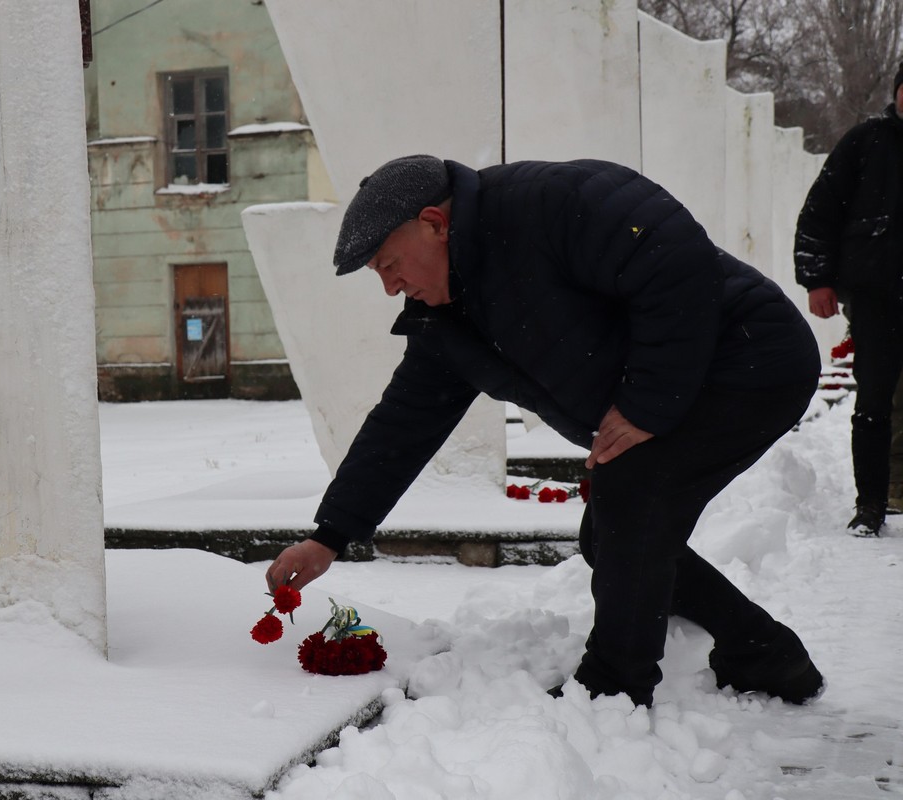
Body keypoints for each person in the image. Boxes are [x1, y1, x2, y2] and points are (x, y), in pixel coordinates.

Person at [265, 154, 825, 708]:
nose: (390, 287)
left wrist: (646, 403)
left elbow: (672, 256)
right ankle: (764, 652)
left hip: (752, 360)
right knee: (607, 535)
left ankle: (613, 691)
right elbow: (403, 424)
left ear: (434, 224)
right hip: (691, 384)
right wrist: (330, 535)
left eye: (390, 265)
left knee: (632, 495)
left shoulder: (548, 201)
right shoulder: (447, 318)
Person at [794, 61, 903, 538]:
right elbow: (820, 214)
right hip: (878, 297)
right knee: (874, 403)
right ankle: (871, 505)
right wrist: (818, 279)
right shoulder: (865, 143)